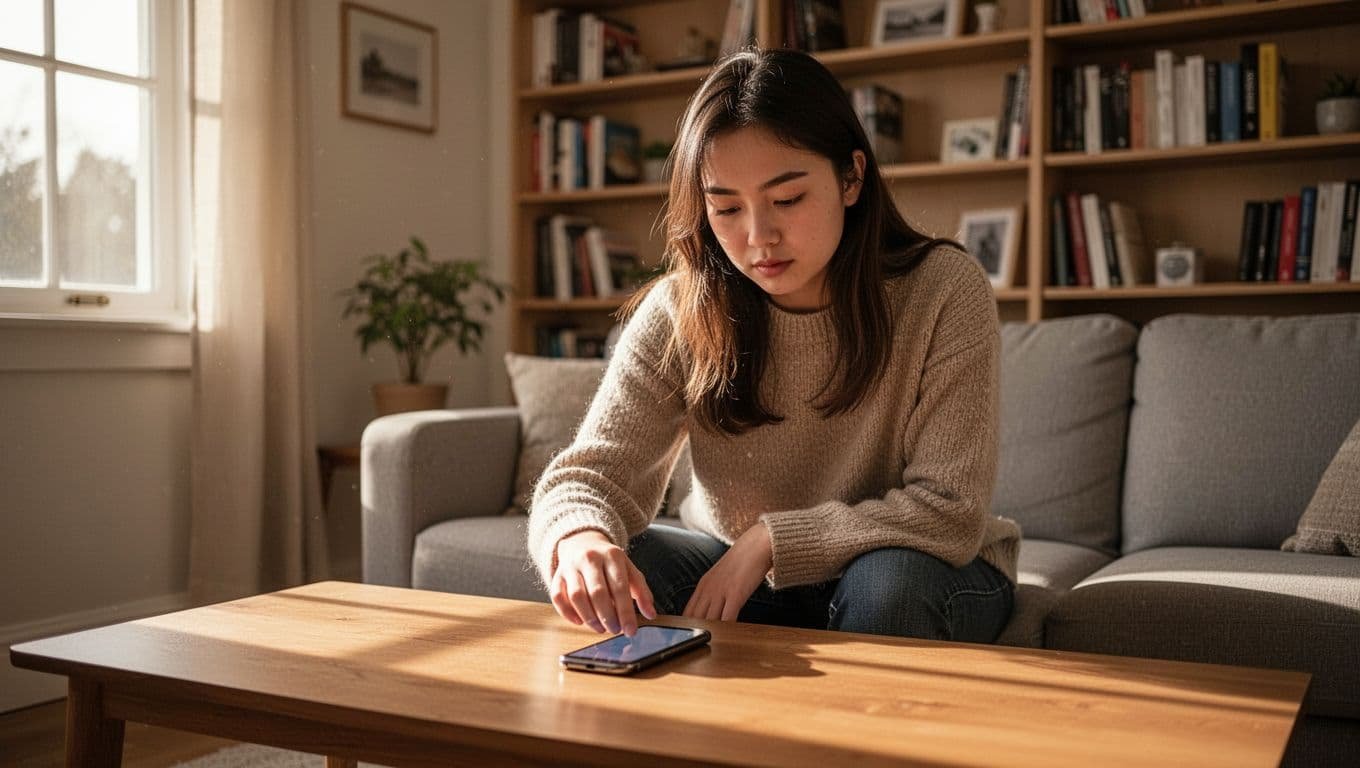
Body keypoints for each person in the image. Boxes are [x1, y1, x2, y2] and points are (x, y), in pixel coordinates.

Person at [527, 48, 1021, 642]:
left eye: (786, 199)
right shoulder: (683, 307)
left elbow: (949, 508)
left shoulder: (942, 289)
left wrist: (770, 540)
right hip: (742, 570)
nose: (758, 237)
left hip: (920, 567)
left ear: (851, 178)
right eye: (727, 207)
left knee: (887, 588)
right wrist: (580, 539)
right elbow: (587, 479)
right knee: (627, 575)